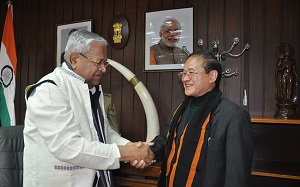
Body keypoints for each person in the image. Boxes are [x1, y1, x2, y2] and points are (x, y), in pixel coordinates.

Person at [23, 30, 154, 187]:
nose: (103, 69)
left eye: (104, 63)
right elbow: (67, 147)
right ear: (74, 59)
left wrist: (132, 148)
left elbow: (103, 133)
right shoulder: (49, 90)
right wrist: (127, 152)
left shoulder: (91, 88)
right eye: (98, 62)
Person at [149, 51, 254, 186]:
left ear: (212, 76)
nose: (185, 79)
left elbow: (236, 175)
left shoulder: (233, 116)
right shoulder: (178, 110)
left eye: (191, 73)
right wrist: (149, 151)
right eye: (184, 73)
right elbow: (167, 139)